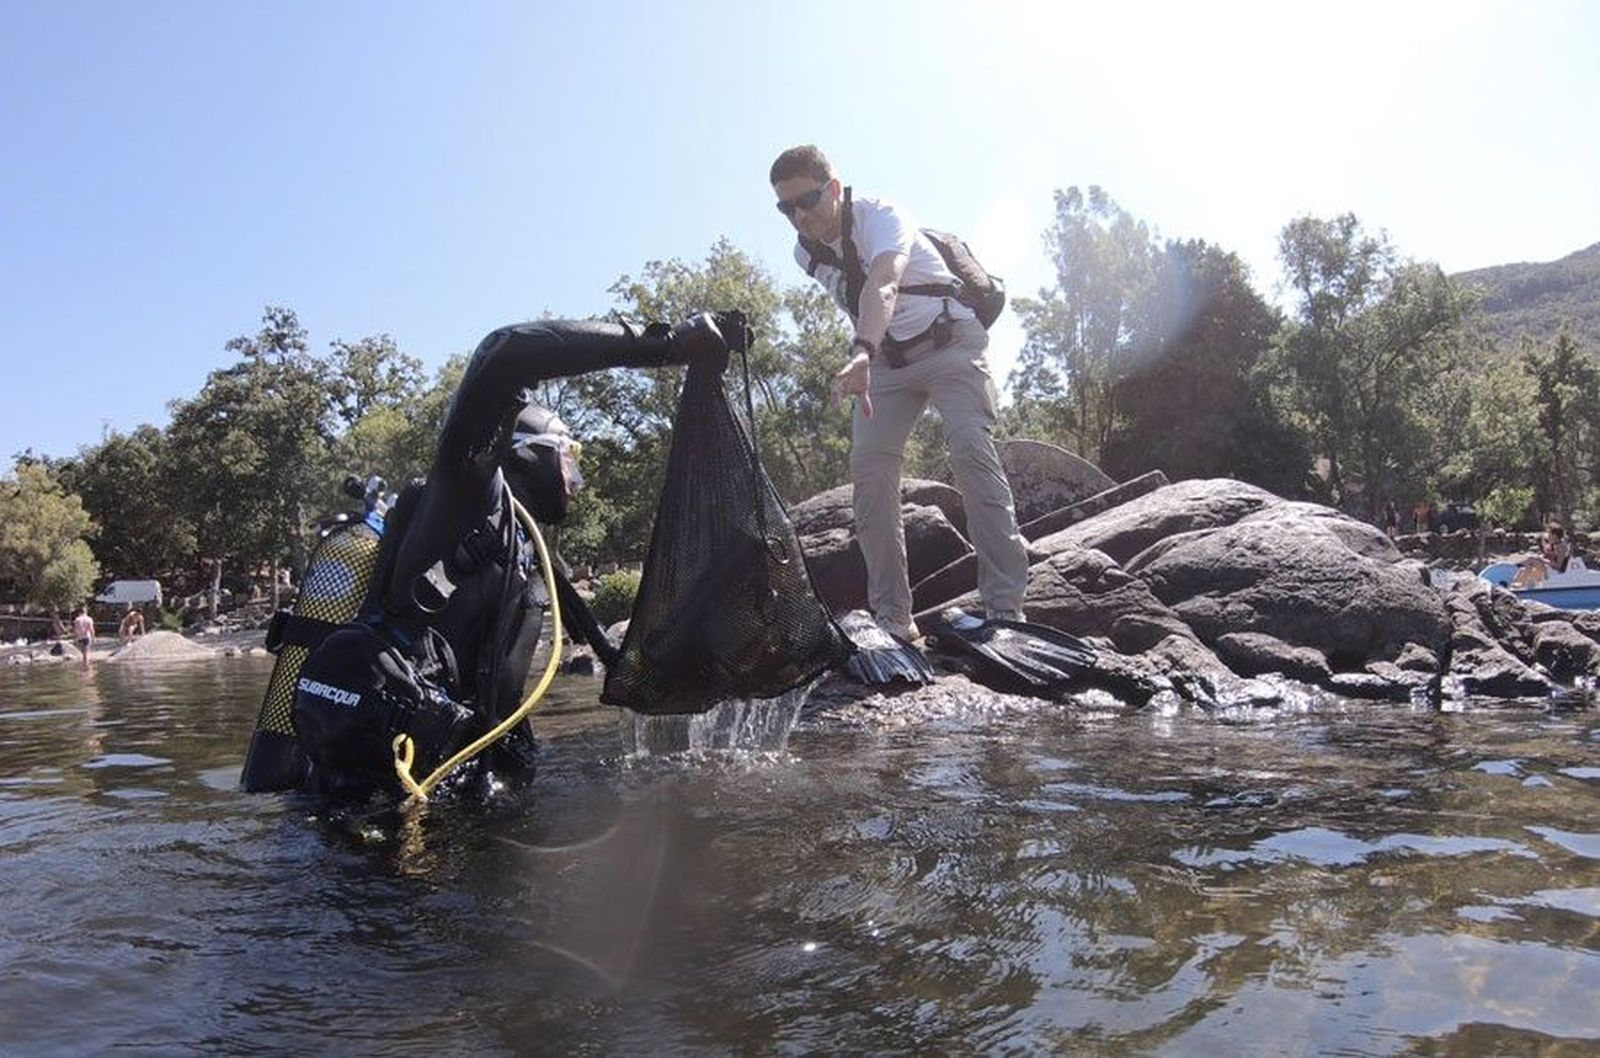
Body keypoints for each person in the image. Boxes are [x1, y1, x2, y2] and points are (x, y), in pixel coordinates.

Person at [769, 144, 1029, 641]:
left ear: (836, 188)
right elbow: (857, 296)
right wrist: (869, 355)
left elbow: (883, 284)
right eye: (786, 208)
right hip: (887, 366)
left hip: (949, 344)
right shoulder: (805, 253)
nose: (799, 216)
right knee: (869, 473)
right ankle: (894, 620)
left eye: (807, 200)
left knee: (971, 451)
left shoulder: (881, 216)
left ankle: (1005, 609)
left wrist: (861, 350)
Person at [1511, 523, 1572, 587]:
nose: (1547, 536)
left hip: (1554, 572)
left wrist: (1542, 560)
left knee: (1533, 559)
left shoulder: (1561, 547)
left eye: (1549, 534)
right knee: (1522, 570)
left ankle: (1521, 583)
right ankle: (1513, 587)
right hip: (1546, 568)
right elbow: (1547, 556)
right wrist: (1541, 557)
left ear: (1555, 535)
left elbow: (1558, 566)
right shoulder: (1552, 545)